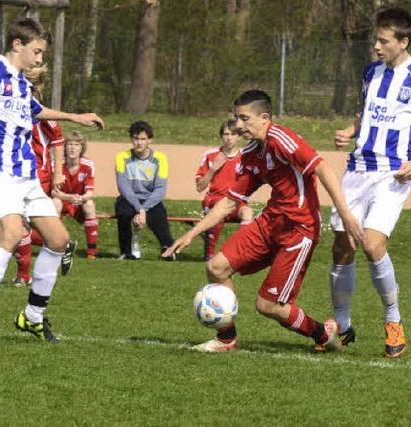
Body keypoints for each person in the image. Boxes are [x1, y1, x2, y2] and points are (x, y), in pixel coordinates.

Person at [163, 89, 364, 353]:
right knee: (217, 267)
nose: (238, 125)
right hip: (271, 221)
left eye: (244, 118)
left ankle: (322, 333)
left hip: (298, 229)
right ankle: (226, 340)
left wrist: (346, 214)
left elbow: (322, 167)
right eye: (236, 119)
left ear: (264, 117)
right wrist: (191, 233)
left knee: (268, 306)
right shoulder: (251, 154)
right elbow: (230, 201)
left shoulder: (282, 139)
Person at [0, 18, 104, 345]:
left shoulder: (20, 82)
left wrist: (76, 117)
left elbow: (36, 110)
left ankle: (32, 316)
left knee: (59, 240)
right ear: (17, 44)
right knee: (13, 232)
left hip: (25, 175)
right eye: (36, 51)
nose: (39, 59)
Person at [329, 7, 411, 358]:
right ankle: (342, 325)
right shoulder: (370, 73)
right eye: (375, 39)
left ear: (403, 41)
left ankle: (393, 320)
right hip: (358, 169)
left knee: (372, 245)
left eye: (383, 40)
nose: (376, 46)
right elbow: (366, 110)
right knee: (342, 247)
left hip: (393, 172)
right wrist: (352, 130)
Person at [11, 63, 68, 287]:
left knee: (19, 225)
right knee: (18, 225)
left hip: (35, 175)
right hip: (17, 173)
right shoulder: (12, 109)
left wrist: (58, 174)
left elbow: (58, 139)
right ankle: (61, 243)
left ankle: (24, 275)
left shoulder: (39, 112)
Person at [115, 120, 174, 260]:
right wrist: (139, 208)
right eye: (136, 138)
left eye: (143, 139)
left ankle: (168, 249)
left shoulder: (160, 159)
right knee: (123, 212)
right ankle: (126, 252)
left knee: (159, 214)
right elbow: (123, 187)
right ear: (131, 139)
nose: (139, 143)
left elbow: (160, 189)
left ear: (149, 140)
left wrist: (144, 208)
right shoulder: (122, 158)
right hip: (129, 198)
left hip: (150, 198)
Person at [195, 119, 253, 261]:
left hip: (235, 202)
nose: (229, 138)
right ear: (222, 136)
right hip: (214, 200)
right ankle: (209, 254)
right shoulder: (211, 155)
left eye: (233, 134)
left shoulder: (245, 156)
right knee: (219, 208)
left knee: (248, 212)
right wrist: (213, 169)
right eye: (226, 134)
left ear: (239, 137)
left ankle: (240, 252)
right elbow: (199, 187)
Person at [52, 131, 99, 259]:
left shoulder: (88, 165)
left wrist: (80, 198)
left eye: (76, 145)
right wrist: (69, 197)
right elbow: (54, 192)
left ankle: (91, 252)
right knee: (55, 202)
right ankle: (55, 247)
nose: (73, 148)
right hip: (62, 200)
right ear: (65, 147)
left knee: (89, 204)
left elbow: (89, 192)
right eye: (69, 144)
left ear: (82, 148)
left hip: (79, 201)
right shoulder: (57, 164)